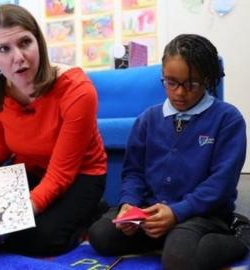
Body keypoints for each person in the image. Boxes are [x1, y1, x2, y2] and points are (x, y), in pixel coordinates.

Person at [0, 4, 107, 256]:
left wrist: (4, 229)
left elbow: (60, 175)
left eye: (25, 42)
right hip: (29, 170)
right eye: (4, 49)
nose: (18, 57)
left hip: (81, 176)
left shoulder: (78, 90)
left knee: (41, 239)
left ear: (38, 42)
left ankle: (93, 212)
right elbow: (2, 144)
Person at [88, 34, 249, 270]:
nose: (180, 93)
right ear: (163, 76)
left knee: (179, 259)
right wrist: (128, 205)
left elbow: (220, 184)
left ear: (207, 79)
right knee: (100, 235)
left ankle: (242, 235)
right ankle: (169, 239)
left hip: (202, 214)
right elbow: (133, 172)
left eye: (191, 84)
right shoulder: (147, 119)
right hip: (150, 211)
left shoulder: (227, 119)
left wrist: (176, 212)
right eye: (171, 82)